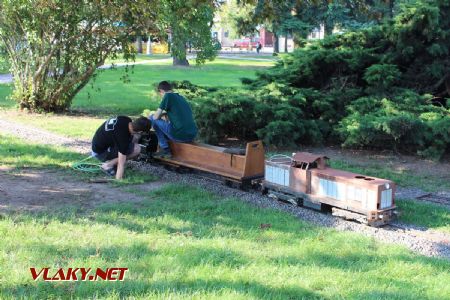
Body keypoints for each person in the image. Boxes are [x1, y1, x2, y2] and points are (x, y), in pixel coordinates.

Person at [149, 81, 198, 158]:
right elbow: (177, 113)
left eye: (160, 94)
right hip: (192, 134)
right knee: (162, 121)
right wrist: (164, 114)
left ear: (161, 91)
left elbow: (155, 117)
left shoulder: (168, 96)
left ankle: (165, 148)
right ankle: (166, 142)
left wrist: (158, 116)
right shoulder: (180, 97)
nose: (161, 96)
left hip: (180, 136)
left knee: (151, 117)